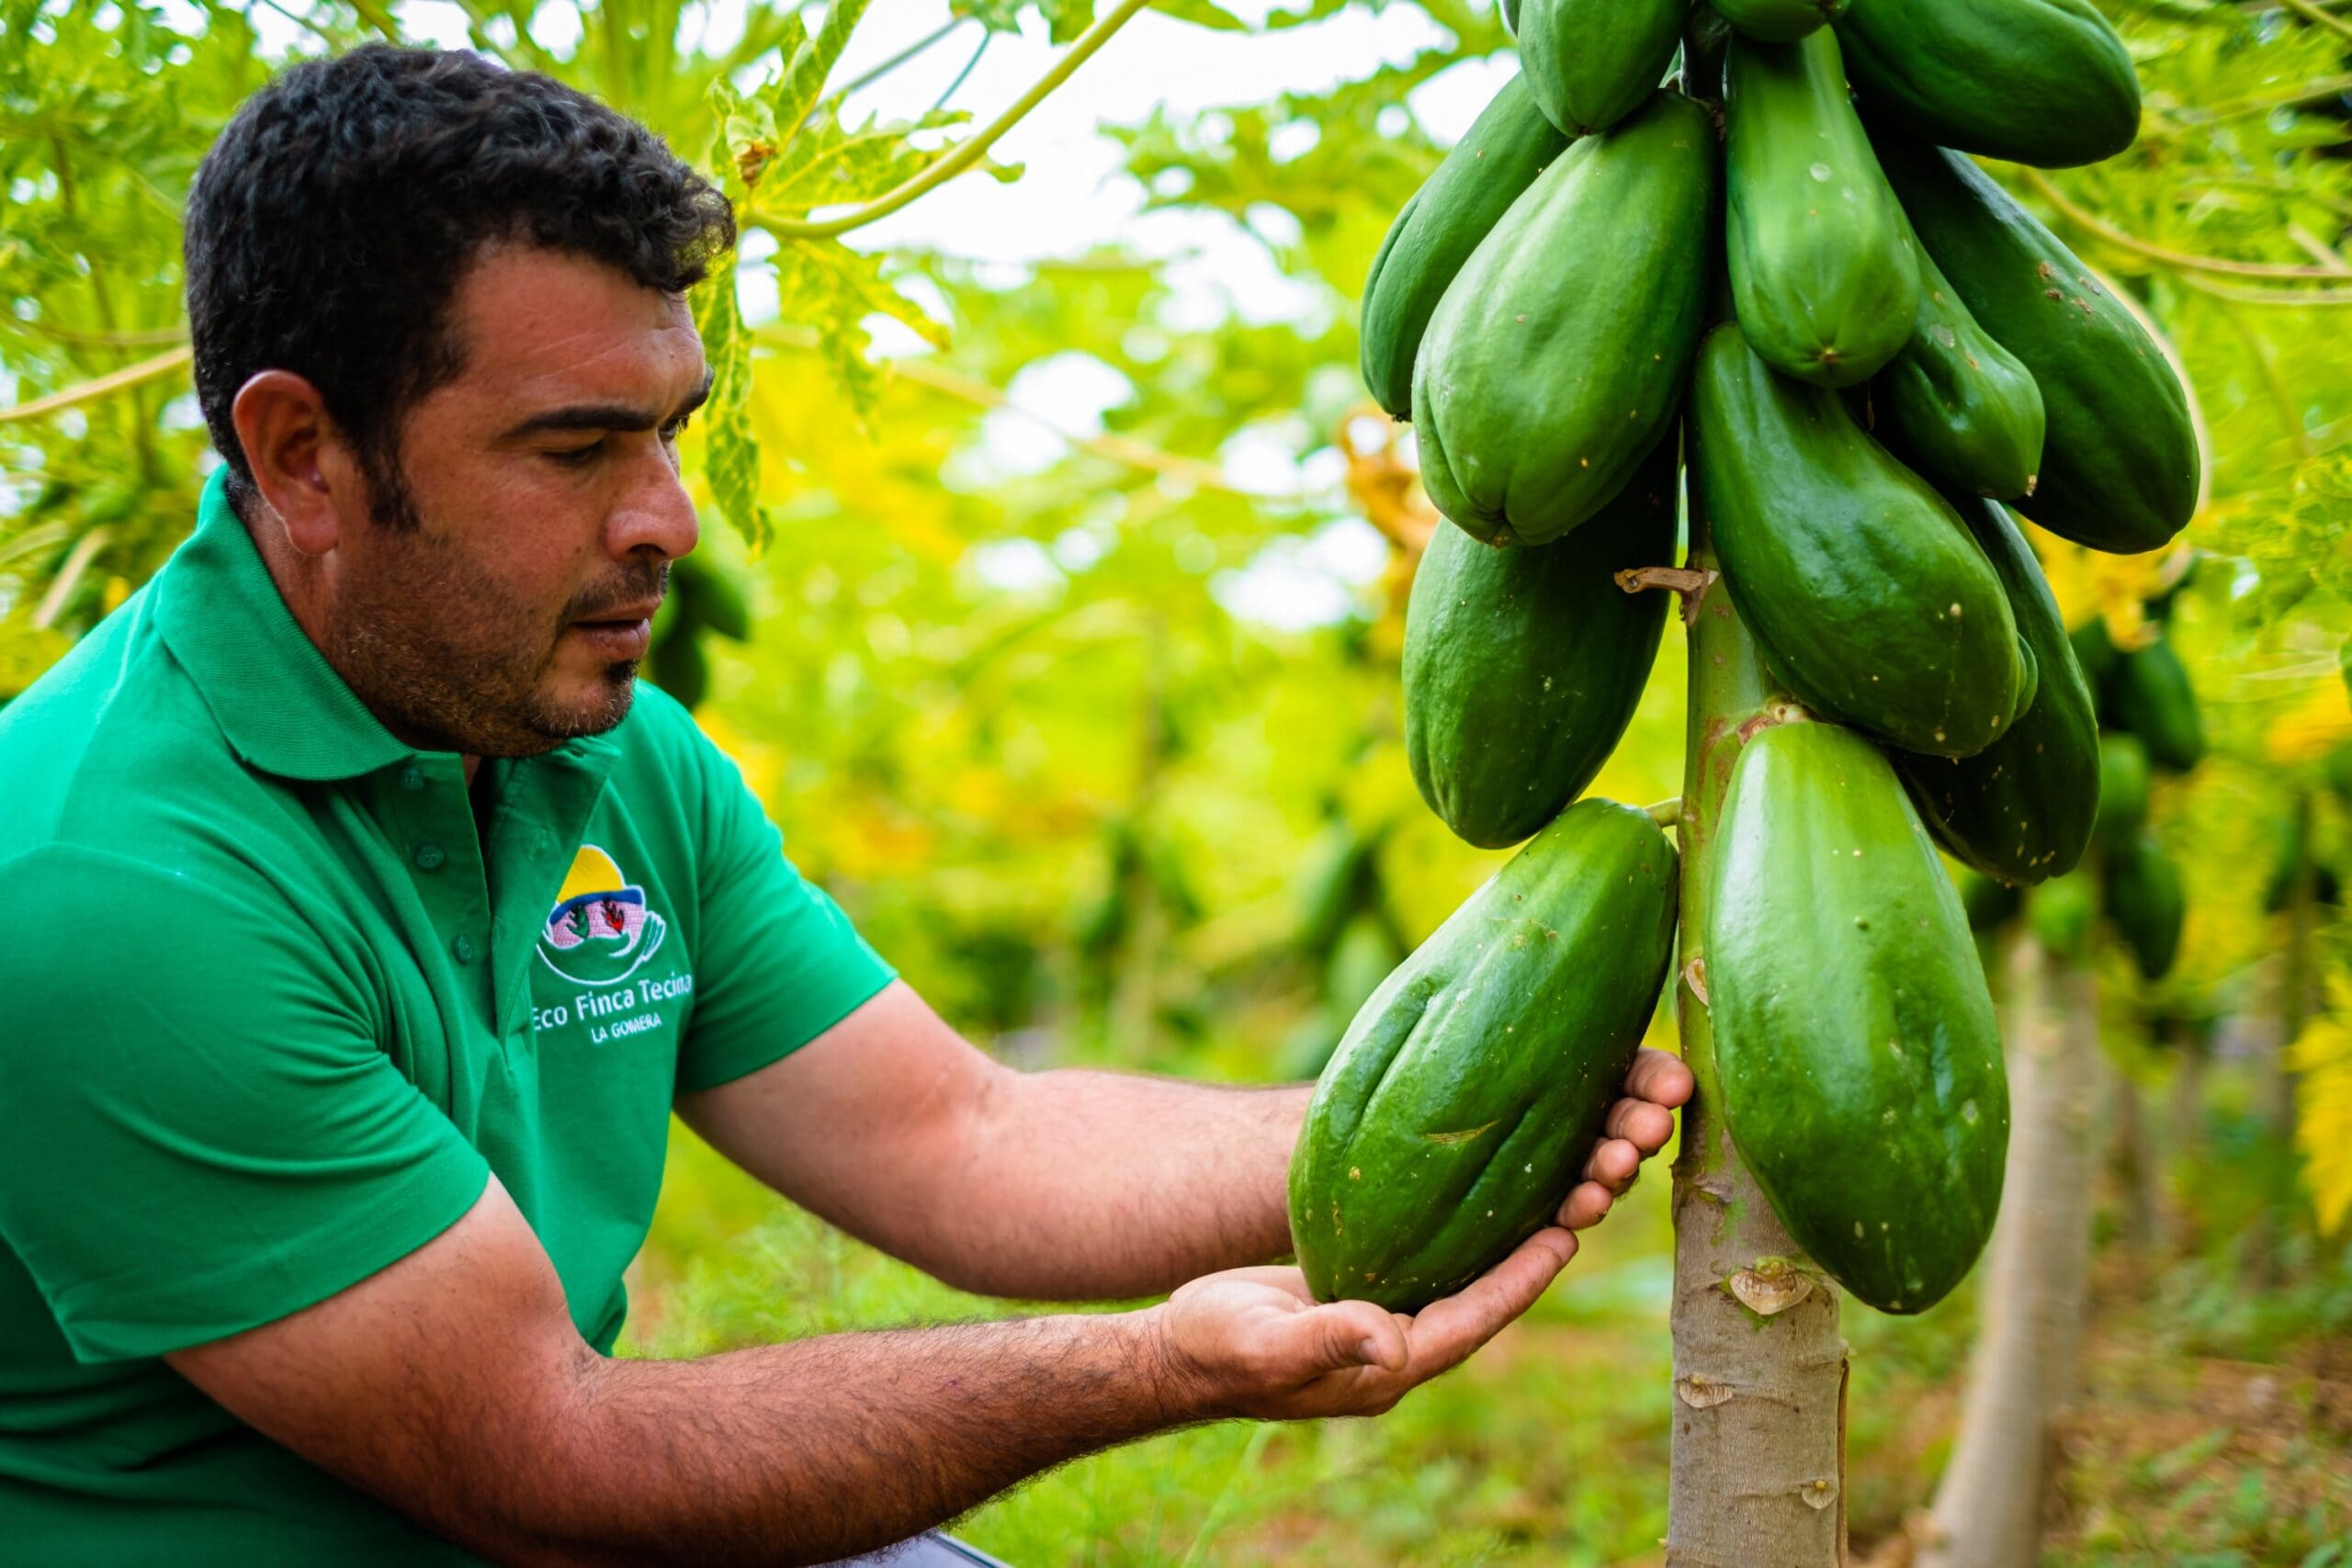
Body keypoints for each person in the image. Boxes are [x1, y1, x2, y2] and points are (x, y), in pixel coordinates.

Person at [0, 44, 1694, 1568]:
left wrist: (1461, 1104)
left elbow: (963, 1142)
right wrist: (1157, 1363)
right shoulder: (105, 882)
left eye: (672, 431)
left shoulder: (599, 749)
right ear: (301, 454)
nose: (666, 518)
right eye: (576, 448)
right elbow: (554, 1464)